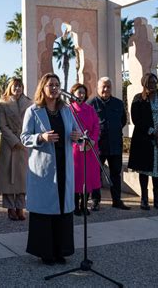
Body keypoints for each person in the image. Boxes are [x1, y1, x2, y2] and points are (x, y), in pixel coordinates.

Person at [21, 73, 81, 265]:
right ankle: (45, 252)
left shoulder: (66, 110)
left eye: (57, 85)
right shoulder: (33, 111)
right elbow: (24, 137)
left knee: (63, 209)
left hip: (64, 166)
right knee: (45, 210)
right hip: (44, 169)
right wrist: (41, 138)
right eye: (50, 85)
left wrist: (76, 137)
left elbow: (76, 132)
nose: (54, 88)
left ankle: (61, 250)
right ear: (43, 88)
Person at [128, 73, 158, 210]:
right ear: (144, 84)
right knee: (144, 170)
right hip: (144, 139)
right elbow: (136, 119)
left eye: (155, 82)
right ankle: (144, 199)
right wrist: (152, 132)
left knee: (157, 170)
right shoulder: (138, 99)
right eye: (150, 83)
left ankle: (157, 199)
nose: (152, 85)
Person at [87, 77, 130, 210]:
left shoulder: (118, 103)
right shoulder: (91, 104)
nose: (106, 89)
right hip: (98, 145)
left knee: (116, 173)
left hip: (115, 144)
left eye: (108, 87)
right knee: (96, 173)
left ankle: (116, 200)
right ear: (98, 88)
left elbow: (123, 120)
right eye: (103, 87)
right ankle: (95, 200)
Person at [0, 78, 32, 221]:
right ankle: (10, 208)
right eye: (15, 86)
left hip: (24, 144)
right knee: (8, 177)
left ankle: (20, 207)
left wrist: (24, 139)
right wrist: (14, 141)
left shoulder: (29, 103)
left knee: (22, 178)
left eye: (20, 86)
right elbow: (2, 125)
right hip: (9, 144)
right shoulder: (3, 103)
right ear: (10, 87)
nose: (17, 89)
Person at [70, 83, 100, 216]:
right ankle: (75, 205)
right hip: (75, 148)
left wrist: (92, 141)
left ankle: (84, 204)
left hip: (90, 148)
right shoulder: (68, 109)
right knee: (77, 177)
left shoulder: (90, 109)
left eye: (83, 92)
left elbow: (96, 126)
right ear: (73, 93)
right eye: (78, 92)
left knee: (88, 177)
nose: (81, 95)